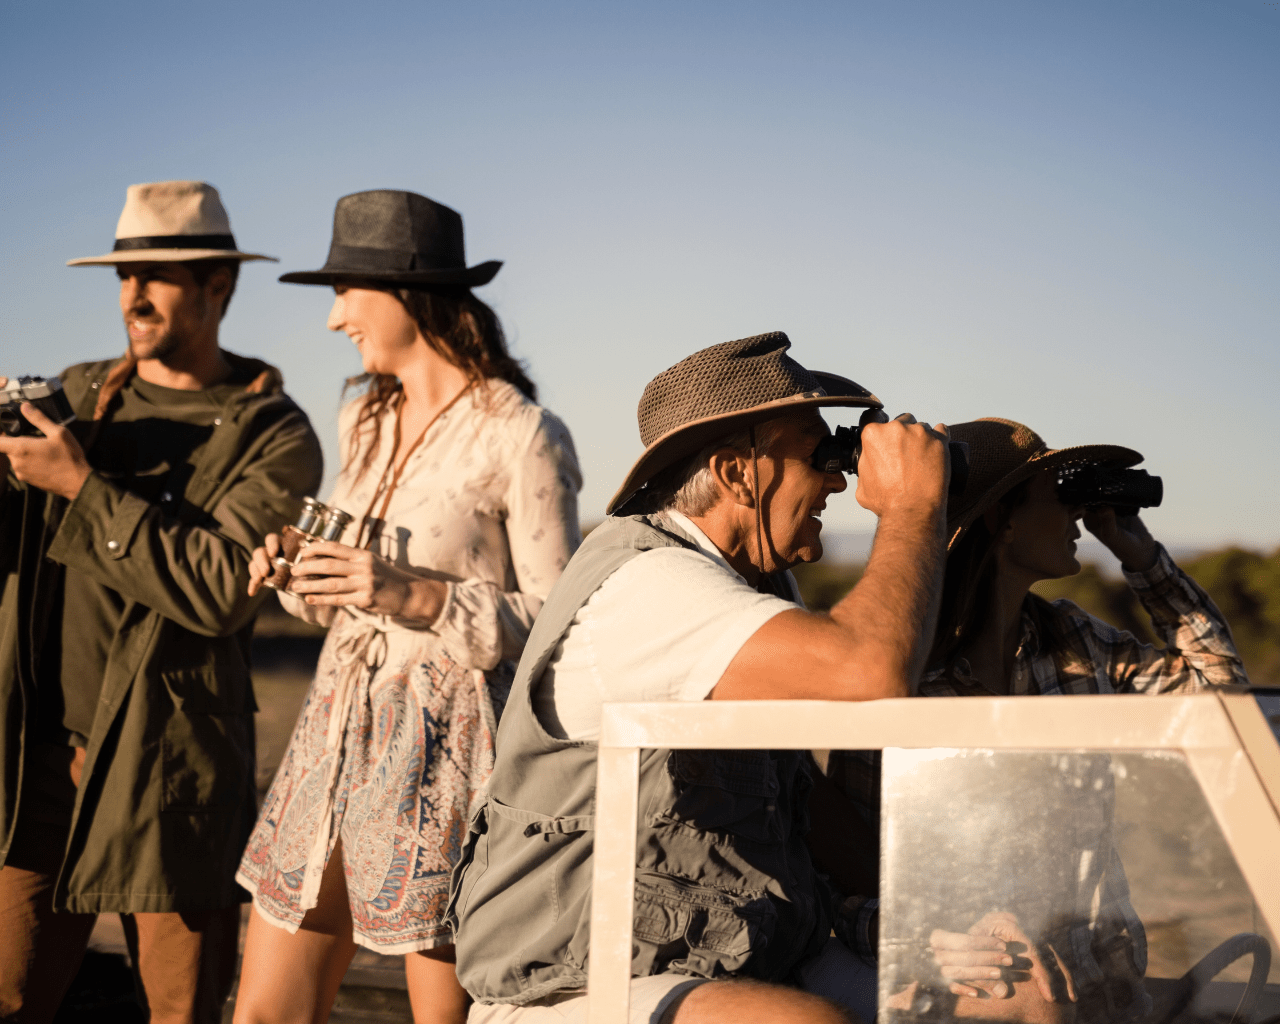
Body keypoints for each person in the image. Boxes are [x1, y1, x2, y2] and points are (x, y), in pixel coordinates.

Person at [448, 332, 955, 1024]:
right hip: (577, 978)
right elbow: (872, 669)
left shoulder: (756, 586)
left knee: (994, 1003)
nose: (839, 479)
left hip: (738, 953)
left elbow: (801, 802)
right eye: (818, 455)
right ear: (736, 472)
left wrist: (946, 921)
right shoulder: (649, 583)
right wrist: (912, 509)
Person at [231, 190, 583, 1024]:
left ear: (406, 294)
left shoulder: (523, 432)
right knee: (262, 1015)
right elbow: (342, 603)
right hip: (332, 734)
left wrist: (411, 593)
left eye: (346, 291)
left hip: (449, 755)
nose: (334, 318)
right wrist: (295, 569)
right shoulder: (365, 418)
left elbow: (559, 624)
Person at [0, 180, 324, 1023]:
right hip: (38, 763)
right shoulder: (75, 395)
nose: (133, 297)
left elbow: (219, 591)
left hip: (168, 772)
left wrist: (79, 484)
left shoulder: (274, 434)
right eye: (121, 276)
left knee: (179, 1014)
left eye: (160, 277)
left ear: (219, 286)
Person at [815, 417, 1250, 1024]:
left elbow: (1223, 701)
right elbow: (840, 880)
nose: (1078, 518)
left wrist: (1141, 555)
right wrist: (928, 942)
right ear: (1001, 517)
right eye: (1059, 496)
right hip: (975, 1002)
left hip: (1105, 988)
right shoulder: (902, 684)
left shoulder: (1072, 640)